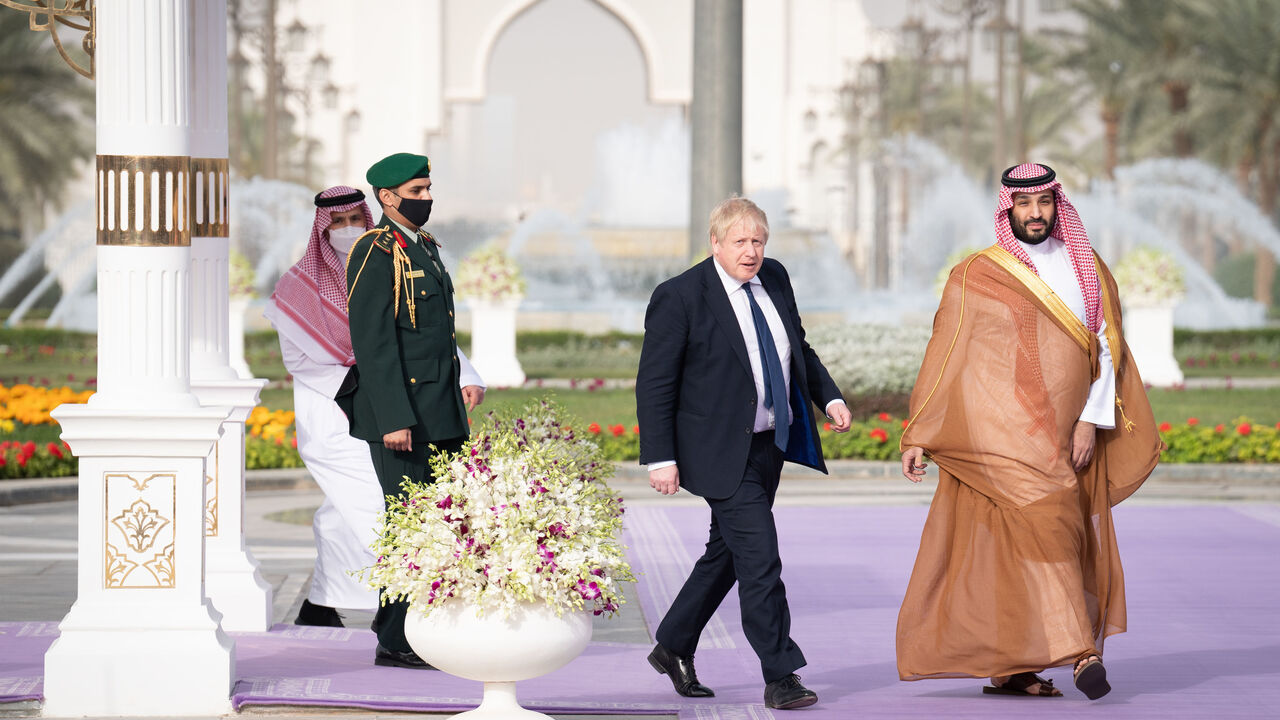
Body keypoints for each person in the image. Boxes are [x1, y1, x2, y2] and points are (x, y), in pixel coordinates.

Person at [896, 163, 1162, 700]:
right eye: (1024, 205)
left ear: (1056, 205)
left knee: (1024, 538)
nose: (1035, 214)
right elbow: (946, 352)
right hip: (998, 433)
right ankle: (1080, 651)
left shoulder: (1086, 266)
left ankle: (1011, 668)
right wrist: (920, 431)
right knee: (1049, 519)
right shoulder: (980, 273)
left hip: (1066, 432)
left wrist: (1090, 418)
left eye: (1044, 203)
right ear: (1008, 208)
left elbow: (1106, 349)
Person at [635, 196, 852, 711]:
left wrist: (830, 396)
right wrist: (659, 457)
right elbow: (655, 383)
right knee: (760, 560)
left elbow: (796, 346)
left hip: (767, 445)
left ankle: (672, 646)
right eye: (740, 242)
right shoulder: (681, 296)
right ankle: (782, 674)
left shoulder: (774, 278)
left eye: (758, 241)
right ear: (715, 243)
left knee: (726, 556)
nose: (751, 252)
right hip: (715, 452)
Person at [337, 153, 486, 669]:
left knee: (436, 518)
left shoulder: (422, 248)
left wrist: (464, 377)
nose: (426, 198)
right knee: (410, 522)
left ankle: (398, 623)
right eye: (416, 190)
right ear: (387, 196)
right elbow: (374, 344)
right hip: (403, 417)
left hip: (437, 411)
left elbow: (434, 333)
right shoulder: (376, 251)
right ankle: (397, 641)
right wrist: (395, 417)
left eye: (427, 188)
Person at [263, 186, 385, 627]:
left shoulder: (383, 271)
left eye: (356, 219)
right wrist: (358, 378)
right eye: (338, 222)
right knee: (375, 505)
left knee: (341, 514)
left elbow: (423, 330)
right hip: (332, 417)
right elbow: (297, 360)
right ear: (322, 228)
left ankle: (319, 607)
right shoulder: (298, 287)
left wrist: (466, 376)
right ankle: (399, 605)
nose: (349, 229)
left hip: (385, 410)